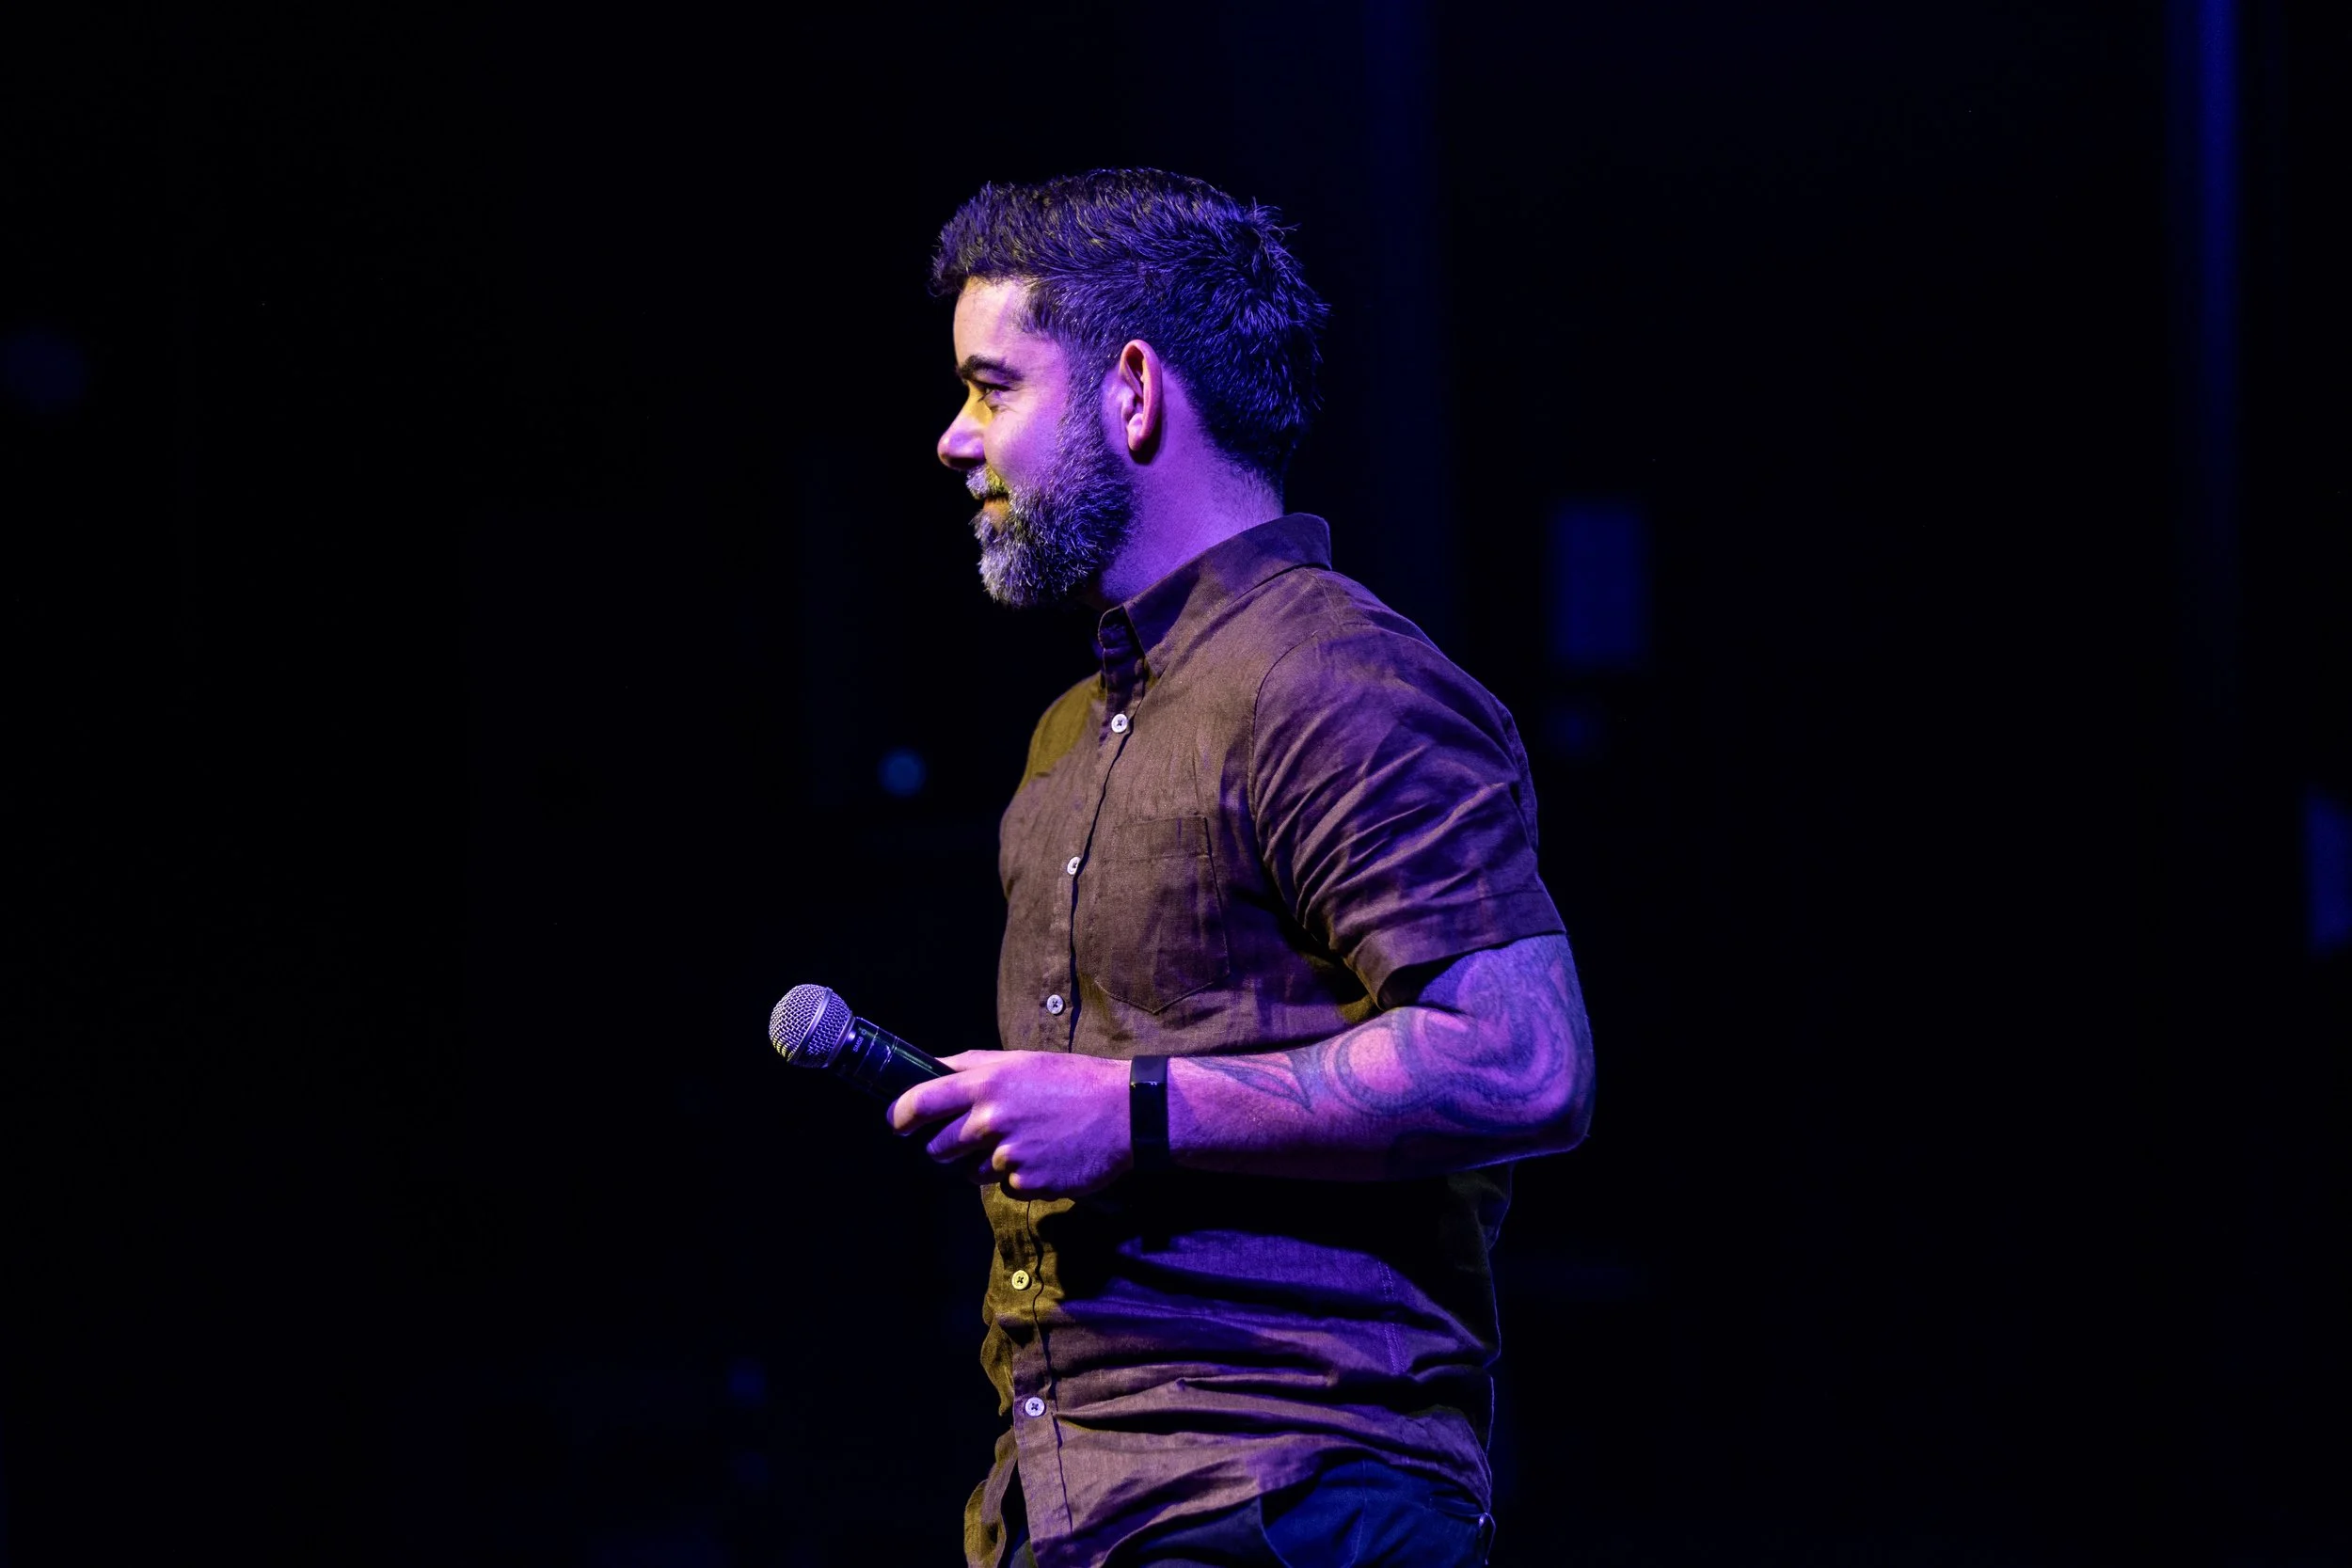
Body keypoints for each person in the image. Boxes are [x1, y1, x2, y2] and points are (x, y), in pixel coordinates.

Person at [888, 169, 1596, 1568]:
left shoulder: (1339, 682)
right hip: (1076, 1507)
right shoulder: (1068, 735)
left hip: (1291, 1498)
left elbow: (1522, 1059)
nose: (952, 441)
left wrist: (1129, 1111)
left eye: (991, 388)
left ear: (1131, 393)